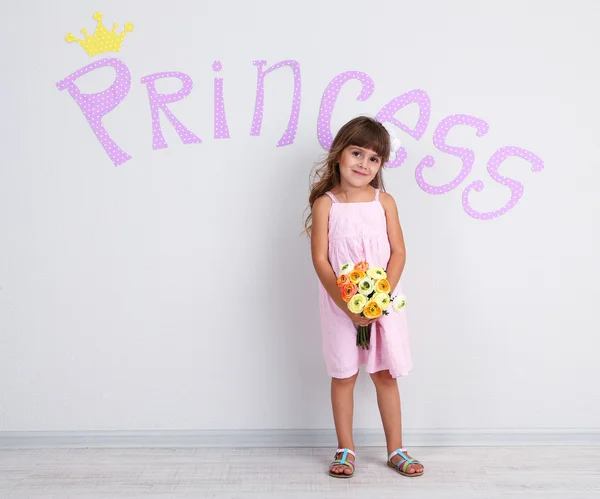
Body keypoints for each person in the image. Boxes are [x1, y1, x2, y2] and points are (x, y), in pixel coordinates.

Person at [304, 116, 424, 478]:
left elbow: (399, 252)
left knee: (386, 374)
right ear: (339, 154)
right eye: (357, 153)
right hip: (341, 305)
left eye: (374, 159)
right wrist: (348, 305)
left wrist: (379, 298)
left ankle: (396, 449)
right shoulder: (326, 204)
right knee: (343, 374)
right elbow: (320, 260)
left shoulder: (383, 201)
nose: (364, 164)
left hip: (383, 303)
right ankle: (345, 448)